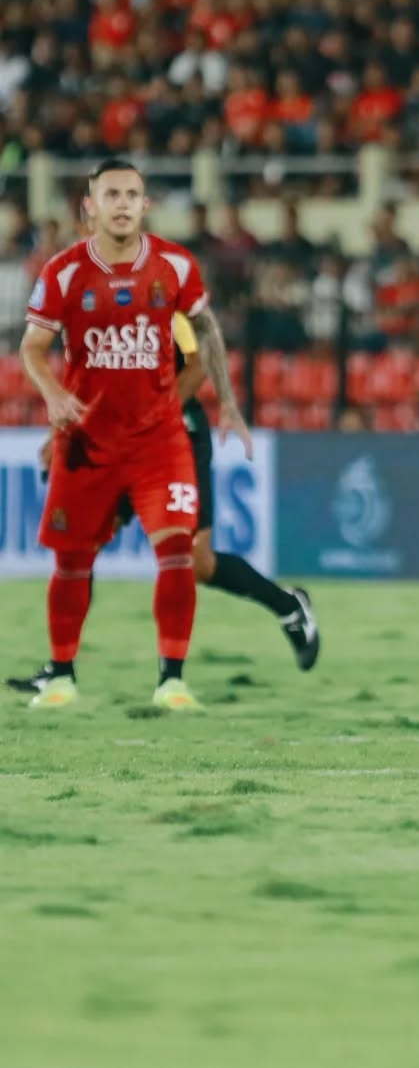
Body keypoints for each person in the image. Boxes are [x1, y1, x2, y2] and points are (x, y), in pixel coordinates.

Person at [16, 160, 250, 710]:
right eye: (111, 194)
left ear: (145, 205)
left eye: (132, 195)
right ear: (90, 206)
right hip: (88, 443)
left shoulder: (175, 265)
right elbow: (32, 348)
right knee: (72, 558)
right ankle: (62, 676)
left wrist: (221, 400)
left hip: (158, 443)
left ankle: (172, 680)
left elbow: (205, 335)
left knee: (177, 550)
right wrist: (53, 394)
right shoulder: (64, 272)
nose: (122, 204)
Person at [8, 302, 318, 698]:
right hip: (115, 437)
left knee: (196, 560)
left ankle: (288, 607)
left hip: (175, 436)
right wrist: (62, 435)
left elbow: (199, 363)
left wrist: (153, 415)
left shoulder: (162, 300)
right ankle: (60, 669)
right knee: (81, 547)